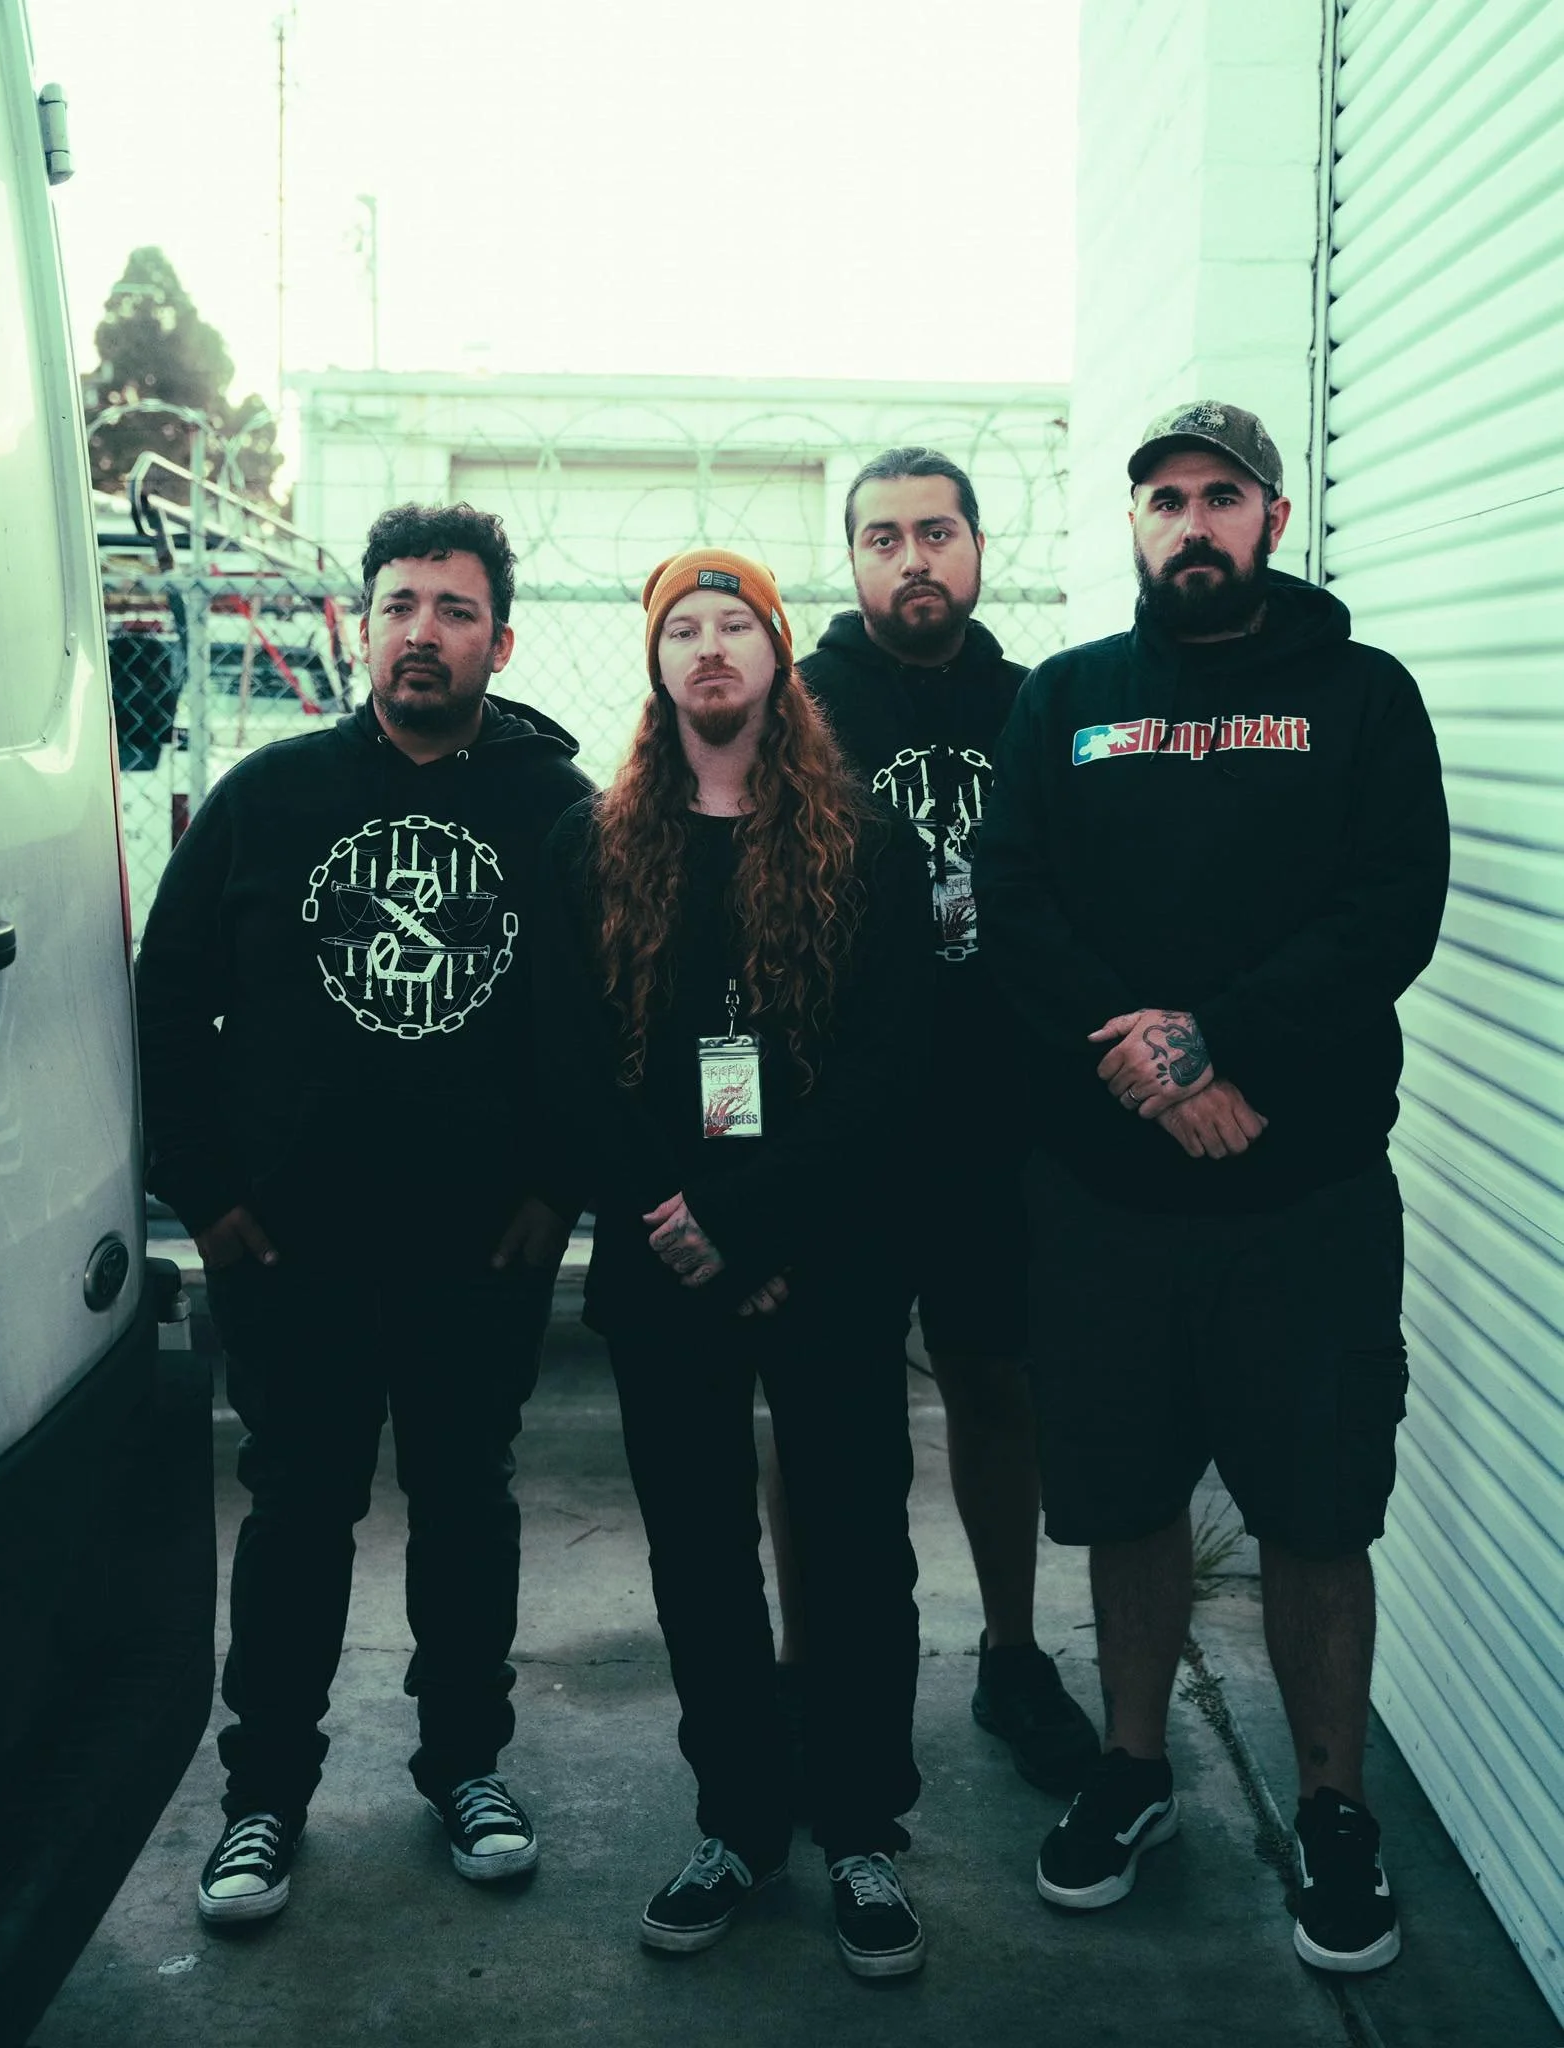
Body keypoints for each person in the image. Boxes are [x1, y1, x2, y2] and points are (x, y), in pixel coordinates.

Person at [975, 403, 1450, 1973]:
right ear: (1133, 524)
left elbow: (1387, 911)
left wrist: (1212, 1041)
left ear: (1272, 517)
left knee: (1317, 1512)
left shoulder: (1361, 697)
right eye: (1164, 498)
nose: (1191, 521)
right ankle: (1131, 1772)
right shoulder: (1065, 698)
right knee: (1122, 1500)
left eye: (1220, 496)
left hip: (1303, 1200)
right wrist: (1156, 1075)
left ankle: (1330, 1809)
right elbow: (1013, 903)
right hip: (1104, 1206)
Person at [136, 503, 593, 1923]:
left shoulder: (556, 810)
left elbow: (597, 1020)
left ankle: (466, 1767)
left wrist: (556, 1188)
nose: (422, 633)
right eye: (399, 605)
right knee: (297, 1509)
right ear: (362, 627)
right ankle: (264, 1797)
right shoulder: (267, 799)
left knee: (465, 1503)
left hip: (479, 1243)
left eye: (455, 610)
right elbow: (166, 1002)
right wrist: (208, 1197)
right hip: (294, 1246)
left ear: (499, 642)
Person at [535, 549, 932, 1978]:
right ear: (656, 666)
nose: (708, 649)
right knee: (699, 1555)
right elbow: (572, 1061)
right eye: (681, 630)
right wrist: (681, 1219)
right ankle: (740, 1824)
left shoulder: (866, 844)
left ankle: (863, 1831)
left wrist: (756, 1226)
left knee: (854, 1544)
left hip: (829, 1252)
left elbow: (889, 1064)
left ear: (775, 656)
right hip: (666, 1259)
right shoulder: (595, 845)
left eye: (733, 627)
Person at [764, 447, 1097, 1796]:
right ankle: (805, 1669)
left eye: (938, 533)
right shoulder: (798, 707)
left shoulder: (1036, 707)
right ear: (851, 559)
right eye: (885, 536)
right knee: (817, 1404)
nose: (914, 558)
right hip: (840, 1120)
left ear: (976, 549)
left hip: (993, 1114)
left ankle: (1011, 1653)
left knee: (994, 1380)